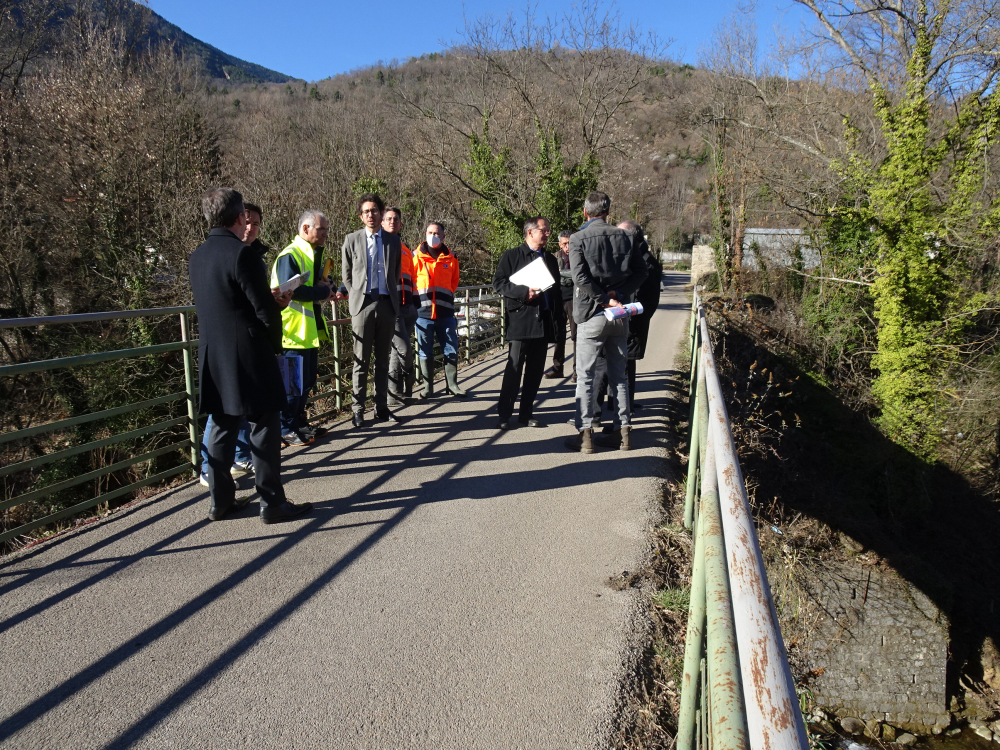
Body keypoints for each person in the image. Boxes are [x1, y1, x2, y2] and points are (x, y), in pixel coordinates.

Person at [189, 187, 311, 524]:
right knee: (264, 426)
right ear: (240, 216)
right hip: (249, 353)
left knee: (222, 426)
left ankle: (220, 502)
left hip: (213, 354)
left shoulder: (197, 256)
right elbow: (263, 312)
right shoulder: (243, 254)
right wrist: (275, 343)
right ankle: (272, 503)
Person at [565, 191, 648, 454]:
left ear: (585, 212)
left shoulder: (578, 238)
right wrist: (618, 295)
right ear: (608, 212)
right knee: (619, 376)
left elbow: (579, 277)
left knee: (586, 377)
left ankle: (585, 436)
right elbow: (641, 272)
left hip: (592, 313)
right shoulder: (625, 236)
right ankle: (624, 434)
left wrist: (603, 299)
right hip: (619, 314)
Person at [199, 201, 268, 485]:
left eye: (256, 224)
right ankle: (211, 470)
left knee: (229, 412)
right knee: (228, 413)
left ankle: (234, 463)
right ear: (238, 219)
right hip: (239, 344)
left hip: (220, 345)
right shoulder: (237, 253)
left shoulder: (206, 253)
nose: (251, 228)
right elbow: (256, 307)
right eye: (247, 221)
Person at [271, 210, 342, 445]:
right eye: (321, 229)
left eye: (326, 230)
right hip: (291, 332)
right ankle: (285, 428)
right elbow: (292, 290)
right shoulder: (290, 255)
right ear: (305, 229)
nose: (325, 234)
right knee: (292, 385)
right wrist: (323, 291)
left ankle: (298, 424)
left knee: (306, 382)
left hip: (306, 332)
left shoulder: (310, 255)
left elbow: (318, 286)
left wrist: (327, 286)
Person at [492, 217, 561, 429]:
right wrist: (524, 292)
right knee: (514, 369)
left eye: (548, 230)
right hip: (521, 320)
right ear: (530, 232)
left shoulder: (550, 259)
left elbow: (556, 291)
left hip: (543, 322)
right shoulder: (512, 255)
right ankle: (504, 415)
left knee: (535, 371)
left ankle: (526, 413)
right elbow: (499, 283)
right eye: (544, 230)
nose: (548, 234)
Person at [341, 193, 402, 428]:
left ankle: (381, 407)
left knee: (383, 360)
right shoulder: (351, 240)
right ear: (361, 216)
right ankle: (357, 410)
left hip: (386, 304)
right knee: (360, 360)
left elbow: (395, 273)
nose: (370, 215)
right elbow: (346, 275)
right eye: (366, 211)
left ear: (381, 213)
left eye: (374, 210)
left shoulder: (393, 241)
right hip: (362, 305)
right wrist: (356, 295)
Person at [412, 221, 466, 399]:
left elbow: (454, 281)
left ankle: (452, 385)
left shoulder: (451, 258)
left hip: (445, 312)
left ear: (443, 236)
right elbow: (411, 281)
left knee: (451, 348)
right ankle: (428, 388)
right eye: (430, 232)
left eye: (436, 233)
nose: (433, 236)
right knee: (424, 351)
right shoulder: (415, 257)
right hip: (423, 313)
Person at [383, 207, 418, 406]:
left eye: (396, 219)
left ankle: (394, 394)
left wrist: (414, 303)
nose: (392, 222)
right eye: (388, 219)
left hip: (408, 307)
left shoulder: (405, 249)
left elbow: (412, 277)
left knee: (397, 351)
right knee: (404, 350)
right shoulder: (380, 245)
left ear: (400, 223)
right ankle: (410, 380)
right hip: (392, 307)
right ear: (382, 223)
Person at [545, 229, 576, 381]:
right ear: (559, 244)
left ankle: (577, 371)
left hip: (574, 299)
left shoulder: (578, 255)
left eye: (570, 243)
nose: (567, 247)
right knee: (559, 335)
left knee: (576, 336)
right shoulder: (554, 257)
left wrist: (561, 273)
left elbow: (577, 275)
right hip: (558, 299)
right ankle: (557, 369)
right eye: (564, 244)